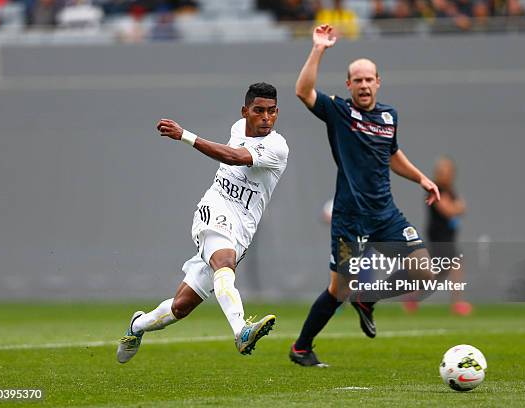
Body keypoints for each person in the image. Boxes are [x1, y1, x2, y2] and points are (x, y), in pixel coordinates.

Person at [290, 24, 440, 367]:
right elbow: (302, 90)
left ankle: (367, 298)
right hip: (350, 217)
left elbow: (391, 155)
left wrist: (421, 178)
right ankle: (301, 347)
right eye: (357, 80)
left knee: (425, 271)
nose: (363, 85)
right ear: (349, 85)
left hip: (385, 214)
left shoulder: (389, 116)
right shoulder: (340, 112)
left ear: (378, 82)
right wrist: (318, 49)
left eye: (369, 79)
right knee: (339, 290)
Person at [117, 83, 289, 363]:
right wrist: (185, 136)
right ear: (245, 112)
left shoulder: (277, 147)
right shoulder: (237, 128)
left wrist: (184, 135)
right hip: (214, 208)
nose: (266, 118)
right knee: (224, 263)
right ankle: (241, 331)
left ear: (277, 113)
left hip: (243, 227)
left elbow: (233, 157)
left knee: (180, 308)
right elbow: (230, 153)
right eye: (259, 111)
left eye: (271, 112)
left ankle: (137, 326)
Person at [403, 156, 472, 315]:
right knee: (452, 266)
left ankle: (413, 297)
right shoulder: (435, 191)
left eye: (448, 171)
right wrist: (457, 207)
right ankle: (457, 303)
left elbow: (462, 207)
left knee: (437, 274)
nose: (445, 175)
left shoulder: (451, 191)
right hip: (438, 239)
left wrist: (458, 207)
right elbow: (450, 210)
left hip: (448, 238)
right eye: (442, 172)